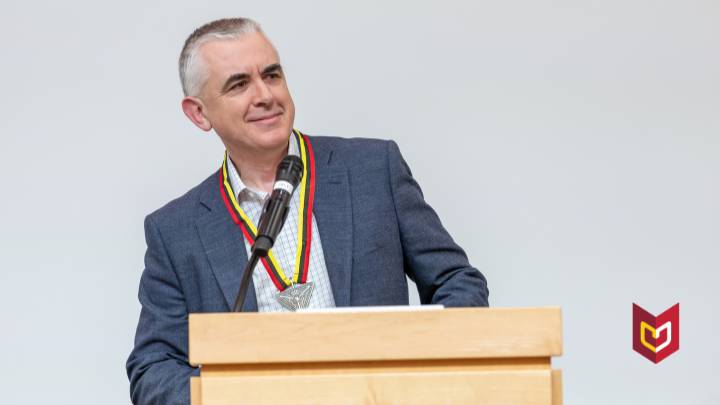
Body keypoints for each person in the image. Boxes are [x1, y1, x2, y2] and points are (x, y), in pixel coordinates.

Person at [126, 17, 489, 404]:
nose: (264, 95)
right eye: (238, 84)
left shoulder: (372, 170)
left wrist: (415, 368)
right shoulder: (176, 231)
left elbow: (458, 282)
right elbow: (153, 368)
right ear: (199, 113)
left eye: (272, 75)